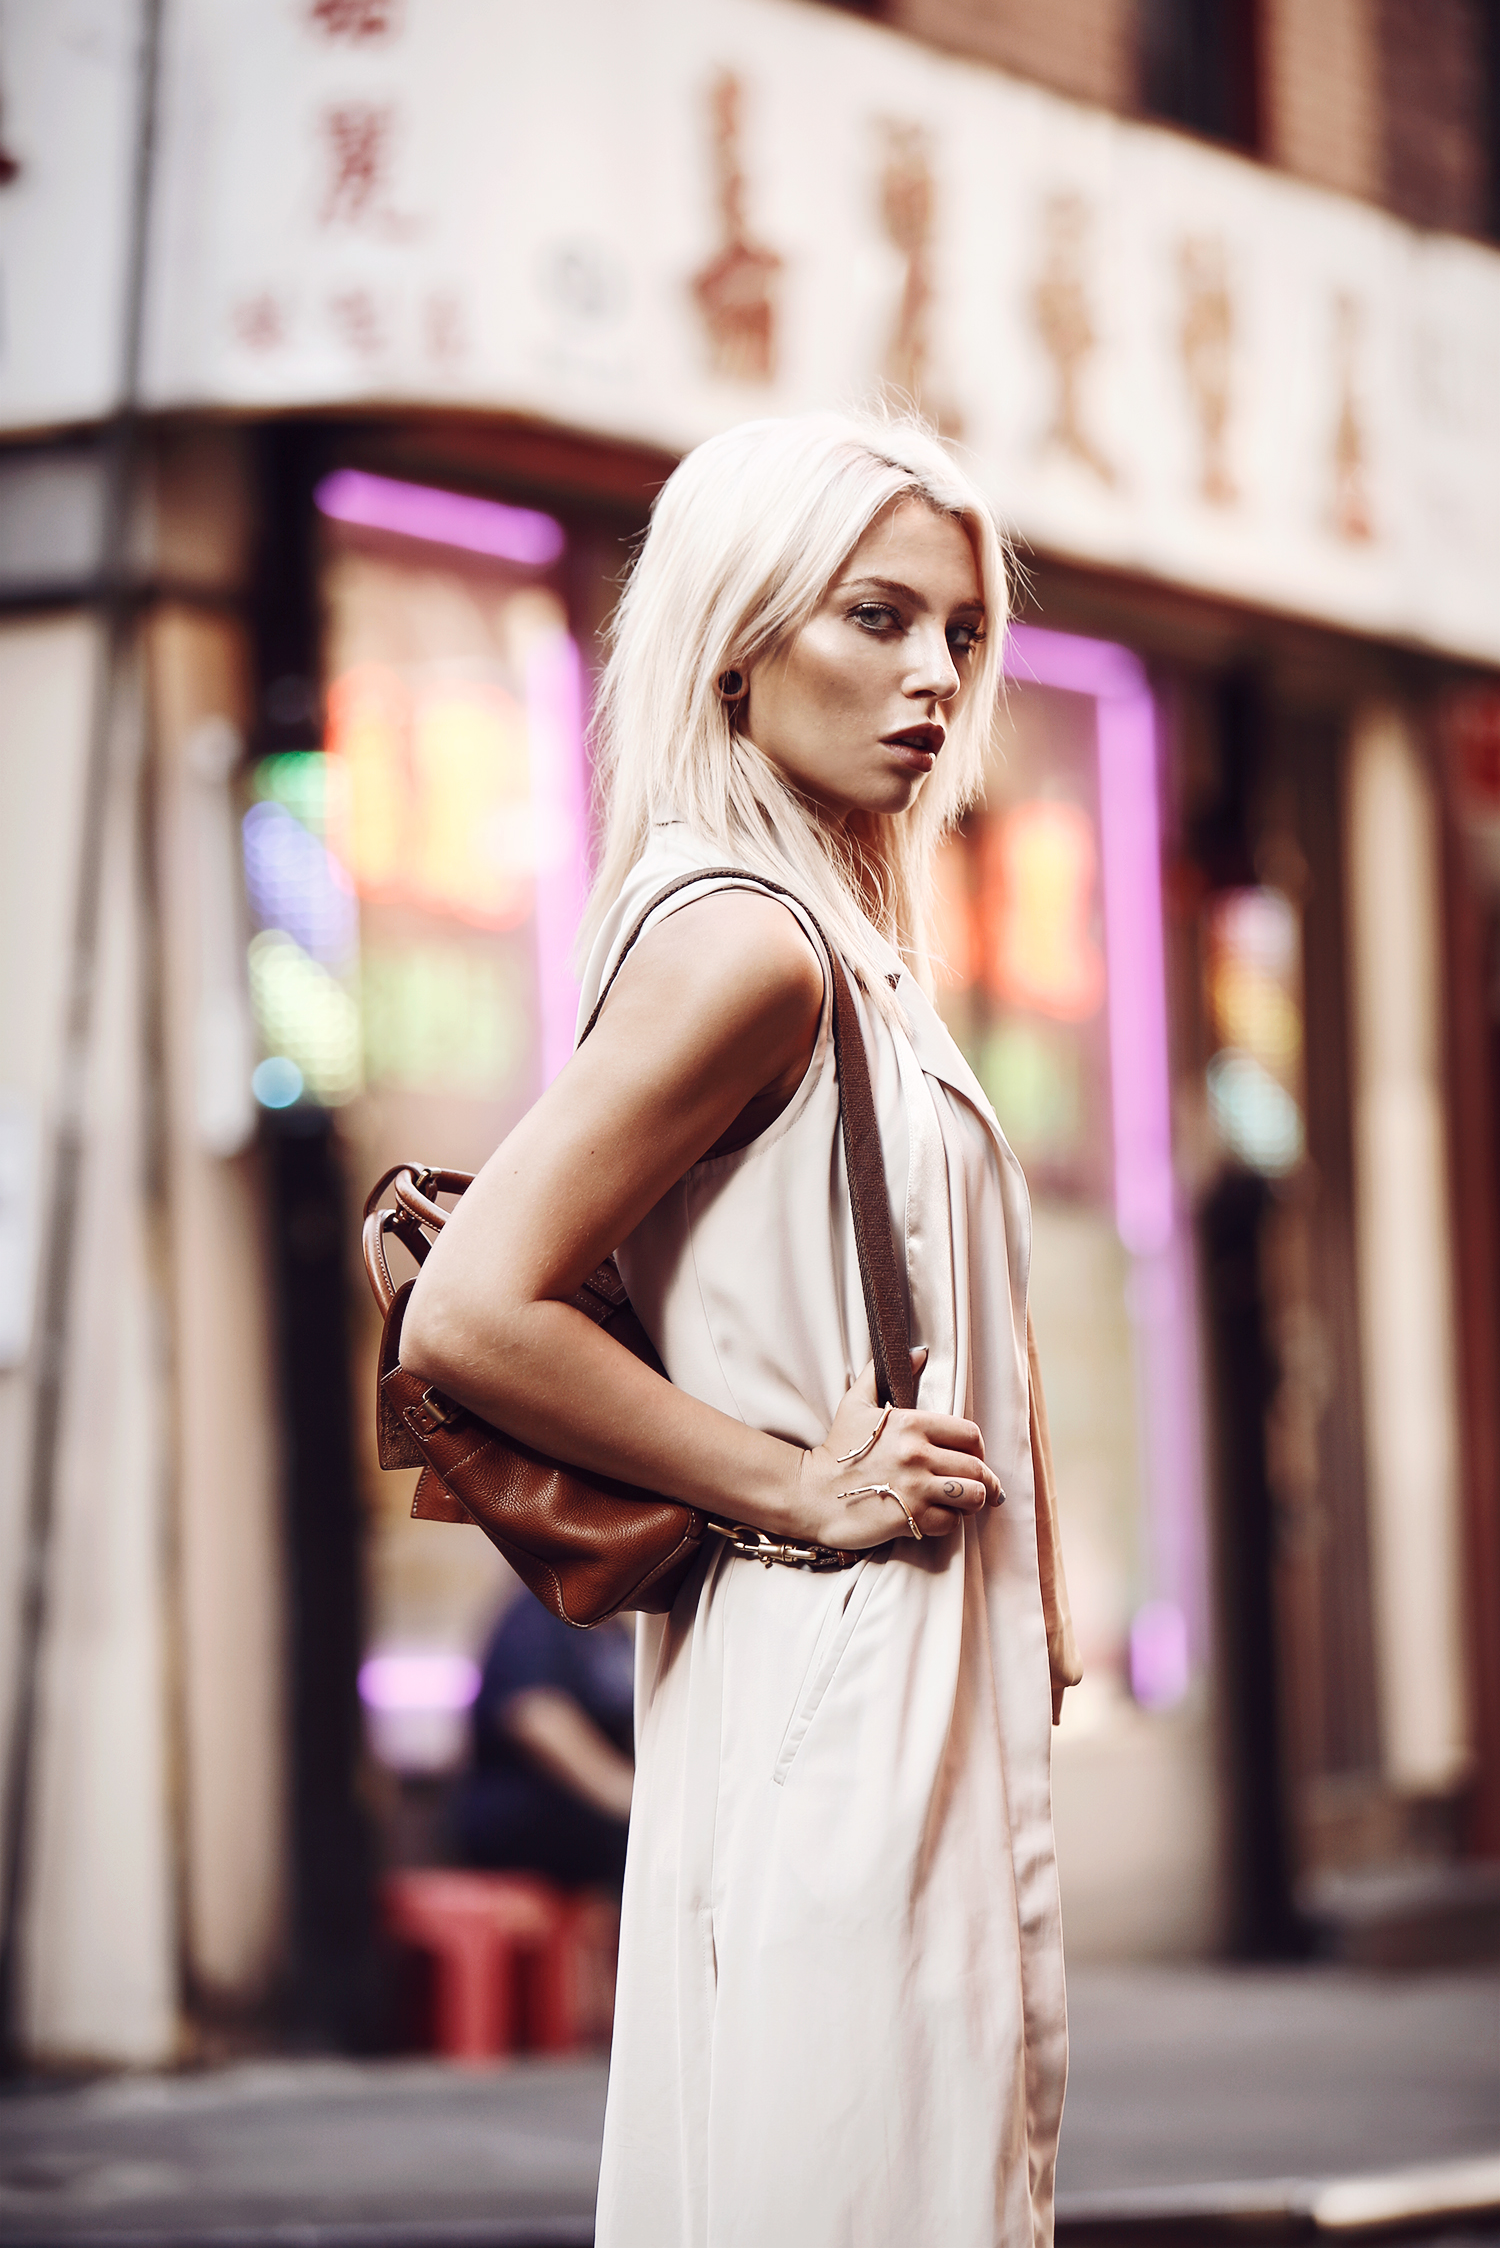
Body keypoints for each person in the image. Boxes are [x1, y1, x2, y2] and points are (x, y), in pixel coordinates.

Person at [400, 410, 1081, 2248]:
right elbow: (470, 1315)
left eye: (958, 631)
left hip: (874, 1673)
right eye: (874, 618)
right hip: (841, 1675)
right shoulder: (751, 943)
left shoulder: (833, 939)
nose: (934, 676)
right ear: (739, 633)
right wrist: (800, 1485)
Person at [451, 1599, 635, 1892]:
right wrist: (629, 1797)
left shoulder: (614, 1631)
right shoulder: (537, 1618)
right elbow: (536, 1716)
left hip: (586, 1823)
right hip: (525, 1819)